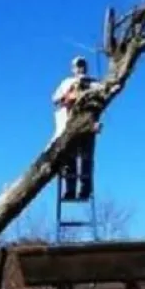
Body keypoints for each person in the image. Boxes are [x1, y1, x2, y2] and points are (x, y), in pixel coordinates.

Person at [52, 56, 98, 201]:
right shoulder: (67, 82)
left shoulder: (93, 83)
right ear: (73, 68)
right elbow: (55, 99)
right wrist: (68, 95)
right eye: (78, 66)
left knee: (86, 159)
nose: (80, 68)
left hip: (87, 125)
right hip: (70, 124)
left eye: (83, 65)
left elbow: (102, 95)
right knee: (69, 158)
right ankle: (70, 190)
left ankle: (85, 190)